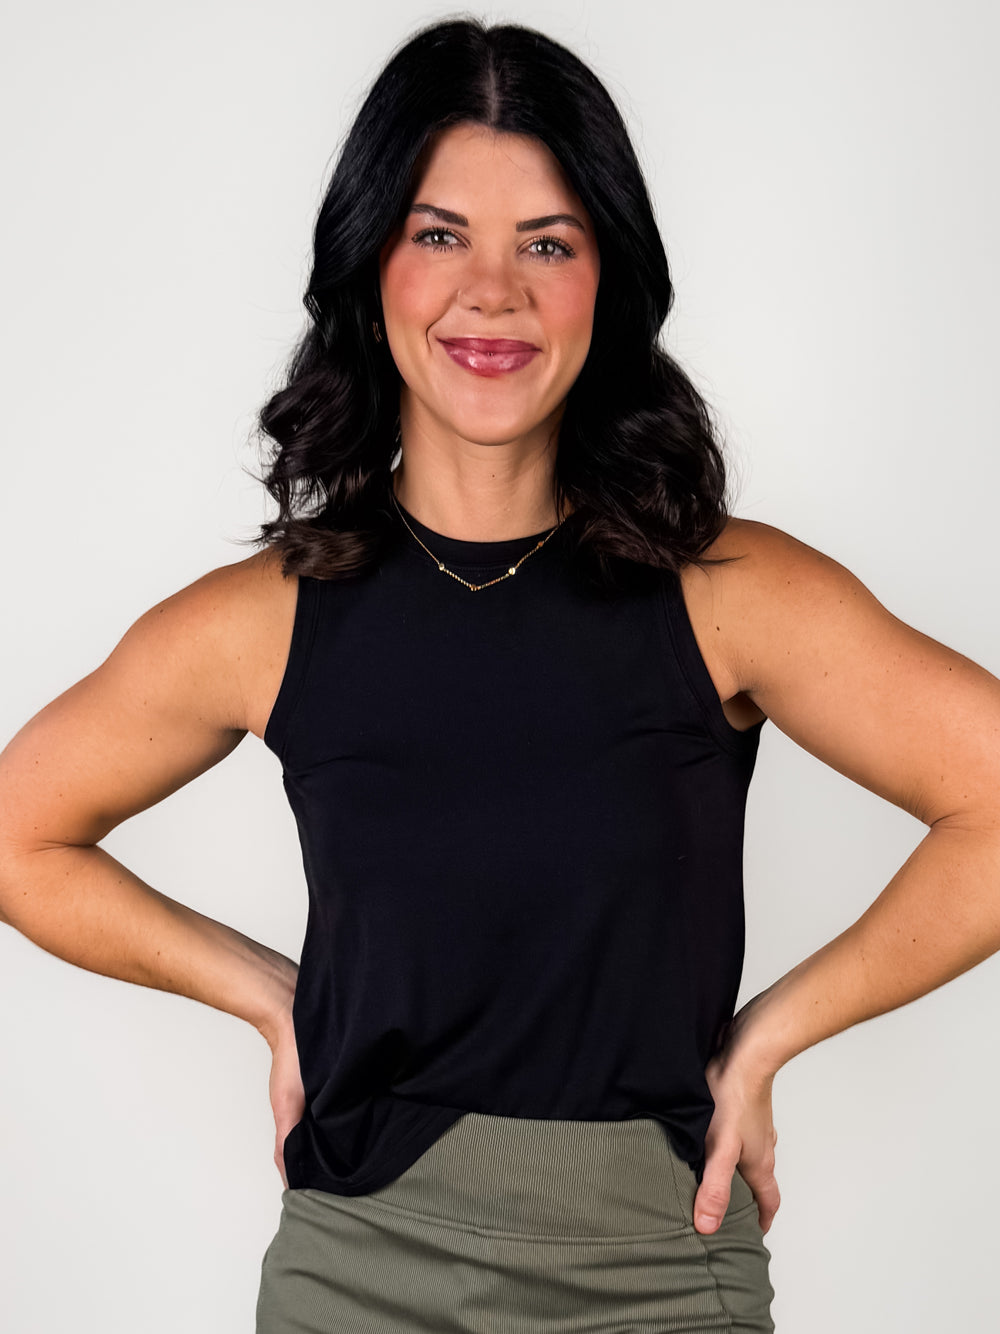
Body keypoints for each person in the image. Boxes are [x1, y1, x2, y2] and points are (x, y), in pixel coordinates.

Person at [1, 15, 998, 1334]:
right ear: (371, 266)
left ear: (607, 279)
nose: (493, 292)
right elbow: (20, 833)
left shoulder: (725, 590)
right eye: (438, 235)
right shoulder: (268, 618)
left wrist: (771, 1034)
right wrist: (271, 998)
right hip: (354, 1273)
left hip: (656, 1271)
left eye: (546, 243)